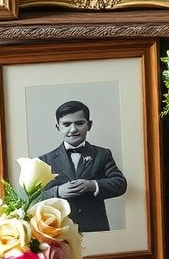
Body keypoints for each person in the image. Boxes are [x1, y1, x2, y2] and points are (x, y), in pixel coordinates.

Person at [38, 99, 127, 233]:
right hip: (60, 230)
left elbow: (120, 184)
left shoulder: (102, 154)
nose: (73, 129)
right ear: (58, 127)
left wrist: (92, 185)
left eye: (79, 123)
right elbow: (32, 198)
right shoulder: (44, 160)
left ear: (89, 125)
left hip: (96, 228)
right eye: (66, 124)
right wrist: (57, 192)